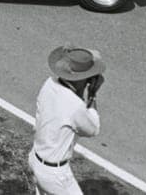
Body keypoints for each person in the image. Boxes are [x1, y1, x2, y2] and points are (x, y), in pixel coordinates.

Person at [29, 45, 104, 195]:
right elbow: (92, 130)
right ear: (85, 79)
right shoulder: (75, 106)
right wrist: (92, 95)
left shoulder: (49, 83)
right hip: (55, 174)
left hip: (35, 159)